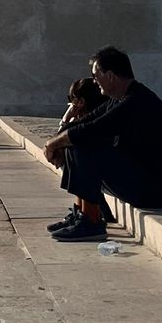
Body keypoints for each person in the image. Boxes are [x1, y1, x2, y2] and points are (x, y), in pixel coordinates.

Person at [43, 47, 162, 241]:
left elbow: (93, 129)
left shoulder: (137, 102)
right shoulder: (119, 99)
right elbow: (83, 122)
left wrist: (52, 145)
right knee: (75, 140)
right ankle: (82, 213)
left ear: (109, 75)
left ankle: (91, 221)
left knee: (84, 143)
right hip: (140, 178)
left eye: (96, 75)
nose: (94, 81)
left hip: (155, 190)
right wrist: (56, 143)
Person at [46, 76, 107, 234]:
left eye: (72, 100)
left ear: (81, 101)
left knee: (79, 145)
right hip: (110, 172)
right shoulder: (98, 114)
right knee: (72, 144)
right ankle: (82, 212)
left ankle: (90, 219)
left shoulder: (100, 117)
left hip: (121, 178)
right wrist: (66, 120)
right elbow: (66, 134)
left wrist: (66, 119)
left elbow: (70, 134)